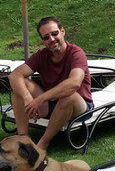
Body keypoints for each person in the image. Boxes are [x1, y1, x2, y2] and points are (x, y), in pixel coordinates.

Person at [8, 17, 93, 150]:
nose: (52, 39)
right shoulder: (42, 55)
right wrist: (28, 99)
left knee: (68, 95)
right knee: (20, 86)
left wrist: (39, 99)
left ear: (62, 31)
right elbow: (14, 75)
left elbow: (74, 84)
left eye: (54, 34)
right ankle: (23, 138)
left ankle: (43, 143)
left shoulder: (76, 53)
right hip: (51, 105)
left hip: (79, 106)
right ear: (43, 40)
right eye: (46, 37)